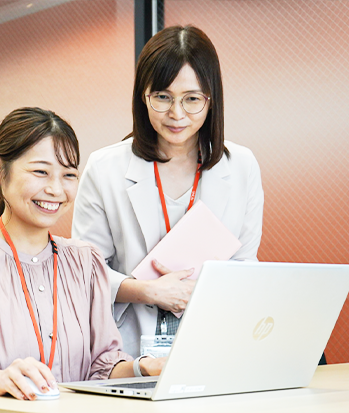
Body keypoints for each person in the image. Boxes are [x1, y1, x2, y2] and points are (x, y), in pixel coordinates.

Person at [0, 107, 164, 401]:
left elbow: (100, 366)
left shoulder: (85, 261)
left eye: (68, 175)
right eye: (40, 172)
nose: (56, 189)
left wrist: (143, 368)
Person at [72, 25, 264, 358]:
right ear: (143, 96)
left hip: (215, 346)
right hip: (128, 352)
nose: (177, 114)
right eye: (163, 97)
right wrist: (147, 291)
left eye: (191, 99)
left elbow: (244, 266)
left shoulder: (241, 166)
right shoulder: (106, 168)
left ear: (211, 100)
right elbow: (85, 273)